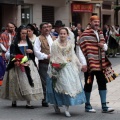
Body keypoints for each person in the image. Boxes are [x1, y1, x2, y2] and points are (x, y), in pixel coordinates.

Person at [0, 25, 44, 109]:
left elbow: (33, 53)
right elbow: (9, 54)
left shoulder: (29, 42)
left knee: (28, 82)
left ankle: (28, 102)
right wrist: (16, 58)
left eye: (26, 33)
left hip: (28, 63)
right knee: (15, 82)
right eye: (23, 33)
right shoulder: (14, 43)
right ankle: (14, 100)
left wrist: (31, 52)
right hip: (17, 64)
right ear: (19, 33)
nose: (24, 35)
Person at [46, 27, 86, 117]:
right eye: (61, 33)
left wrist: (80, 64)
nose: (62, 35)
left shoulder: (70, 44)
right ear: (59, 34)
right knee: (57, 88)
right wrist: (56, 66)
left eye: (64, 33)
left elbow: (73, 55)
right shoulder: (55, 44)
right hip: (58, 67)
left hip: (69, 67)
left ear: (67, 35)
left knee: (68, 87)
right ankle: (56, 105)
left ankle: (66, 108)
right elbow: (53, 56)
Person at [79, 15, 114, 113]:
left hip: (101, 64)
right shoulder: (85, 34)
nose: (97, 23)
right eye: (95, 22)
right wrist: (83, 64)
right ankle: (87, 105)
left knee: (102, 83)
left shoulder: (100, 32)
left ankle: (104, 106)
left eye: (98, 22)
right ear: (90, 22)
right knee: (88, 83)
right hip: (90, 65)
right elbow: (80, 50)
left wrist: (103, 46)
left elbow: (105, 47)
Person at [34, 22, 53, 107]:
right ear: (41, 29)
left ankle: (52, 98)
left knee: (53, 81)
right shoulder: (38, 39)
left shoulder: (51, 37)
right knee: (44, 82)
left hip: (53, 63)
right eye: (44, 27)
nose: (46, 29)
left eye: (48, 27)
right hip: (44, 63)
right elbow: (36, 52)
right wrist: (46, 56)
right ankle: (45, 99)